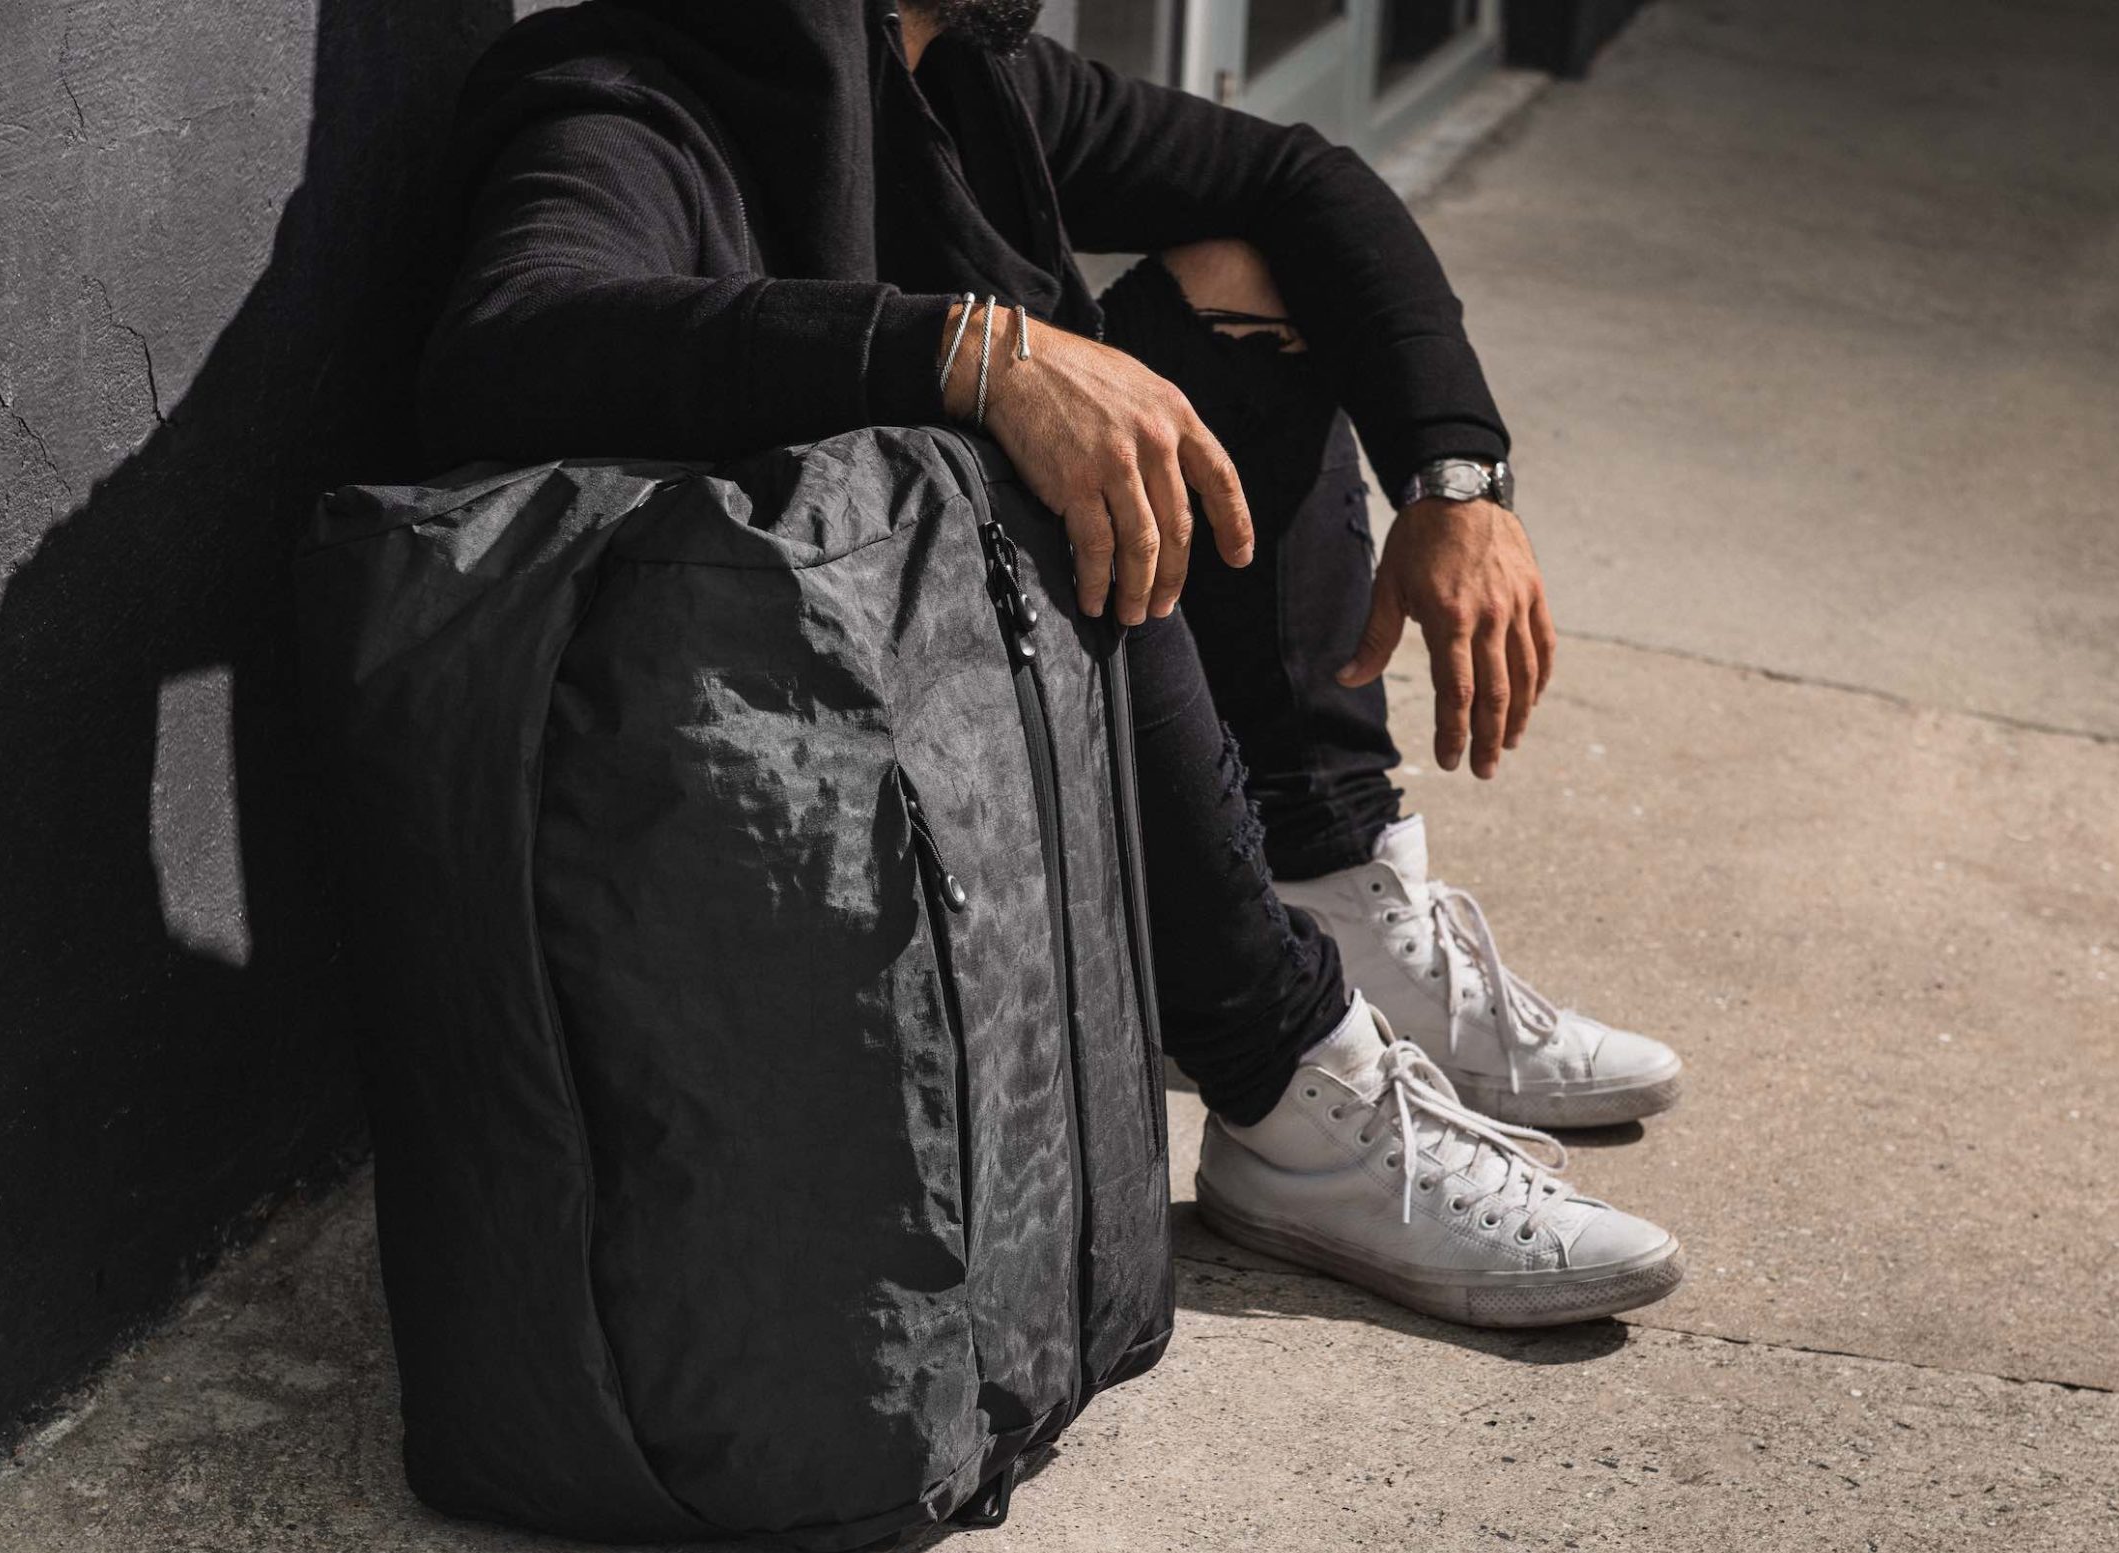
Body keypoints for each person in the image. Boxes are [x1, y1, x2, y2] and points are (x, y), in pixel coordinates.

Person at [417, 0, 1688, 1326]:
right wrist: (972, 355)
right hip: (757, 787)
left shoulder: (959, 77)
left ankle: (1330, 885)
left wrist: (1457, 478)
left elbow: (1305, 178)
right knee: (1035, 454)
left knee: (1255, 277)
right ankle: (1298, 1095)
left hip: (932, 722)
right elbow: (512, 337)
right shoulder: (632, 92)